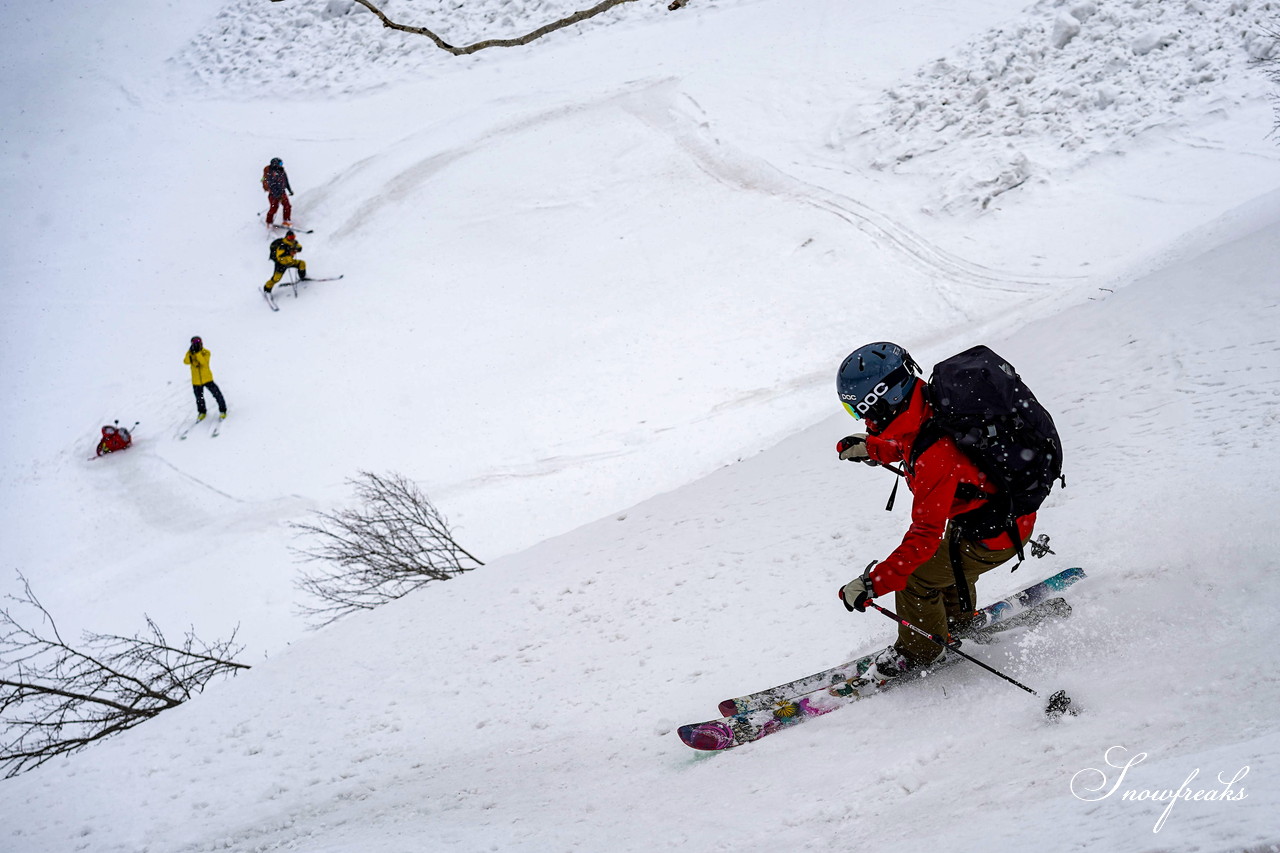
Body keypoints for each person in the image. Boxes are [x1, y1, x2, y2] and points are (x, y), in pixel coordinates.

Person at [833, 342, 1037, 681]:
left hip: (997, 532)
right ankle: (958, 621)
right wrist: (872, 448)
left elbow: (925, 535)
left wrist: (875, 582)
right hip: (996, 515)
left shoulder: (936, 457)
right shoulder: (930, 405)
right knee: (948, 557)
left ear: (885, 399)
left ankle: (921, 651)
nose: (864, 420)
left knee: (916, 576)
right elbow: (911, 439)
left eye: (861, 410)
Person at [183, 336, 227, 421]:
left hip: (207, 379)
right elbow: (186, 362)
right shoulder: (190, 353)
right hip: (196, 381)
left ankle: (223, 410)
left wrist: (198, 353)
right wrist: (190, 352)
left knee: (217, 394)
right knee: (199, 399)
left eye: (198, 342)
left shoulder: (206, 352)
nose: (196, 344)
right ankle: (202, 412)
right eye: (194, 342)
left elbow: (203, 363)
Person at [264, 230, 307, 295]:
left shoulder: (293, 242)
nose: (292, 239)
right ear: (287, 237)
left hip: (290, 262)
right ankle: (267, 289)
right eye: (290, 237)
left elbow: (300, 247)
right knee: (276, 279)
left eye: (293, 237)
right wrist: (289, 253)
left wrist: (295, 249)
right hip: (281, 265)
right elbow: (280, 258)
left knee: (302, 264)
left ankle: (302, 277)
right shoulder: (282, 245)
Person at [261, 157, 294, 226]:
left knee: (287, 206)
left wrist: (290, 190)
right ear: (275, 164)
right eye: (280, 163)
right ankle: (269, 222)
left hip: (282, 192)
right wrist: (276, 194)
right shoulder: (270, 172)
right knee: (274, 208)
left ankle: (286, 220)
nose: (281, 165)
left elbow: (286, 181)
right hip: (273, 194)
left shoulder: (282, 171)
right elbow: (271, 184)